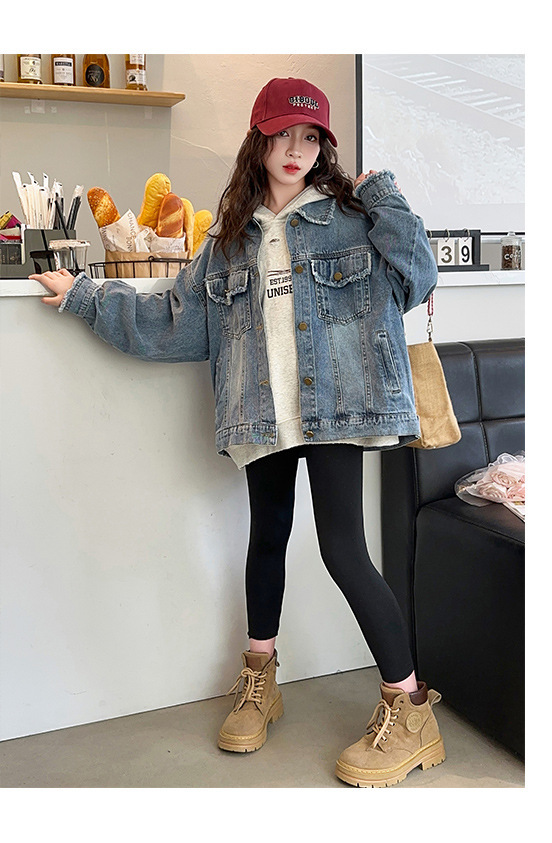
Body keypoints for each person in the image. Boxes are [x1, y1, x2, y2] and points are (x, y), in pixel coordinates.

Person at [30, 76, 444, 788]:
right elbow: (173, 324)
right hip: (261, 411)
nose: (296, 149)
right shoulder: (227, 241)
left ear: (324, 147)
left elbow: (419, 275)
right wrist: (84, 296)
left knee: (344, 550)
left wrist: (382, 193)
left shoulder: (351, 218)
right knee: (267, 536)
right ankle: (260, 683)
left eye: (310, 137)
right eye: (283, 134)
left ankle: (410, 711)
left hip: (337, 410)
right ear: (259, 140)